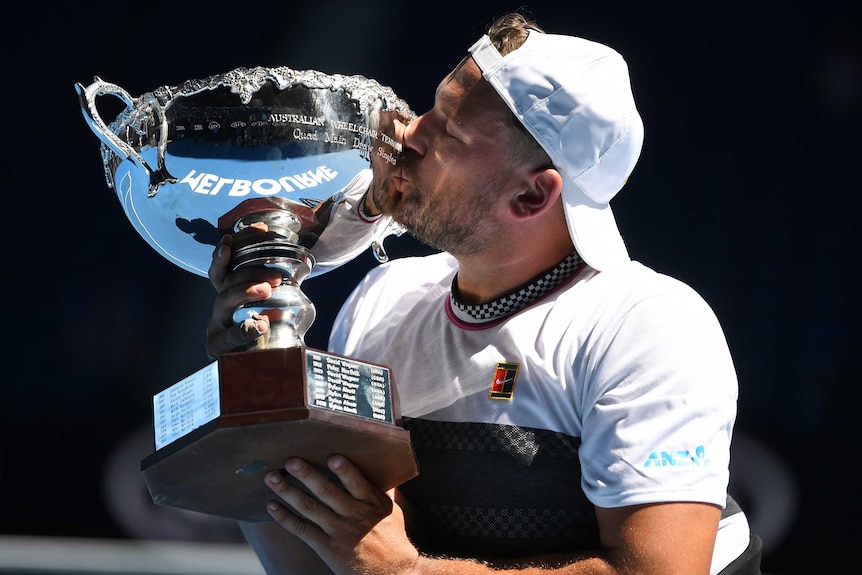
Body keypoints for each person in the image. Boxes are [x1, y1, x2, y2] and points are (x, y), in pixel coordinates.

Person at [206, 11, 763, 575]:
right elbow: (318, 558)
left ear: (530, 196)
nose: (408, 131)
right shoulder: (384, 297)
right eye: (433, 106)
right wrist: (253, 388)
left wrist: (407, 572)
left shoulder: (649, 326)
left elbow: (657, 572)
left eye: (449, 130)